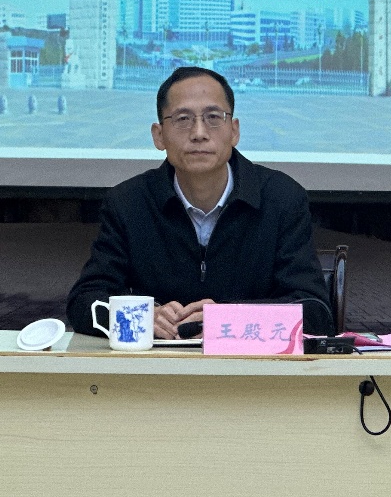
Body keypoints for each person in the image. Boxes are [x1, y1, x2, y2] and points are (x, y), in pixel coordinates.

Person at [65, 66, 334, 339]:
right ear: (159, 135)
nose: (199, 133)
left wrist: (227, 320)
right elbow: (84, 301)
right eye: (183, 119)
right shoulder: (128, 203)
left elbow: (315, 311)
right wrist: (139, 317)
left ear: (234, 131)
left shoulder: (282, 198)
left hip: (247, 363)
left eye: (213, 117)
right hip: (157, 363)